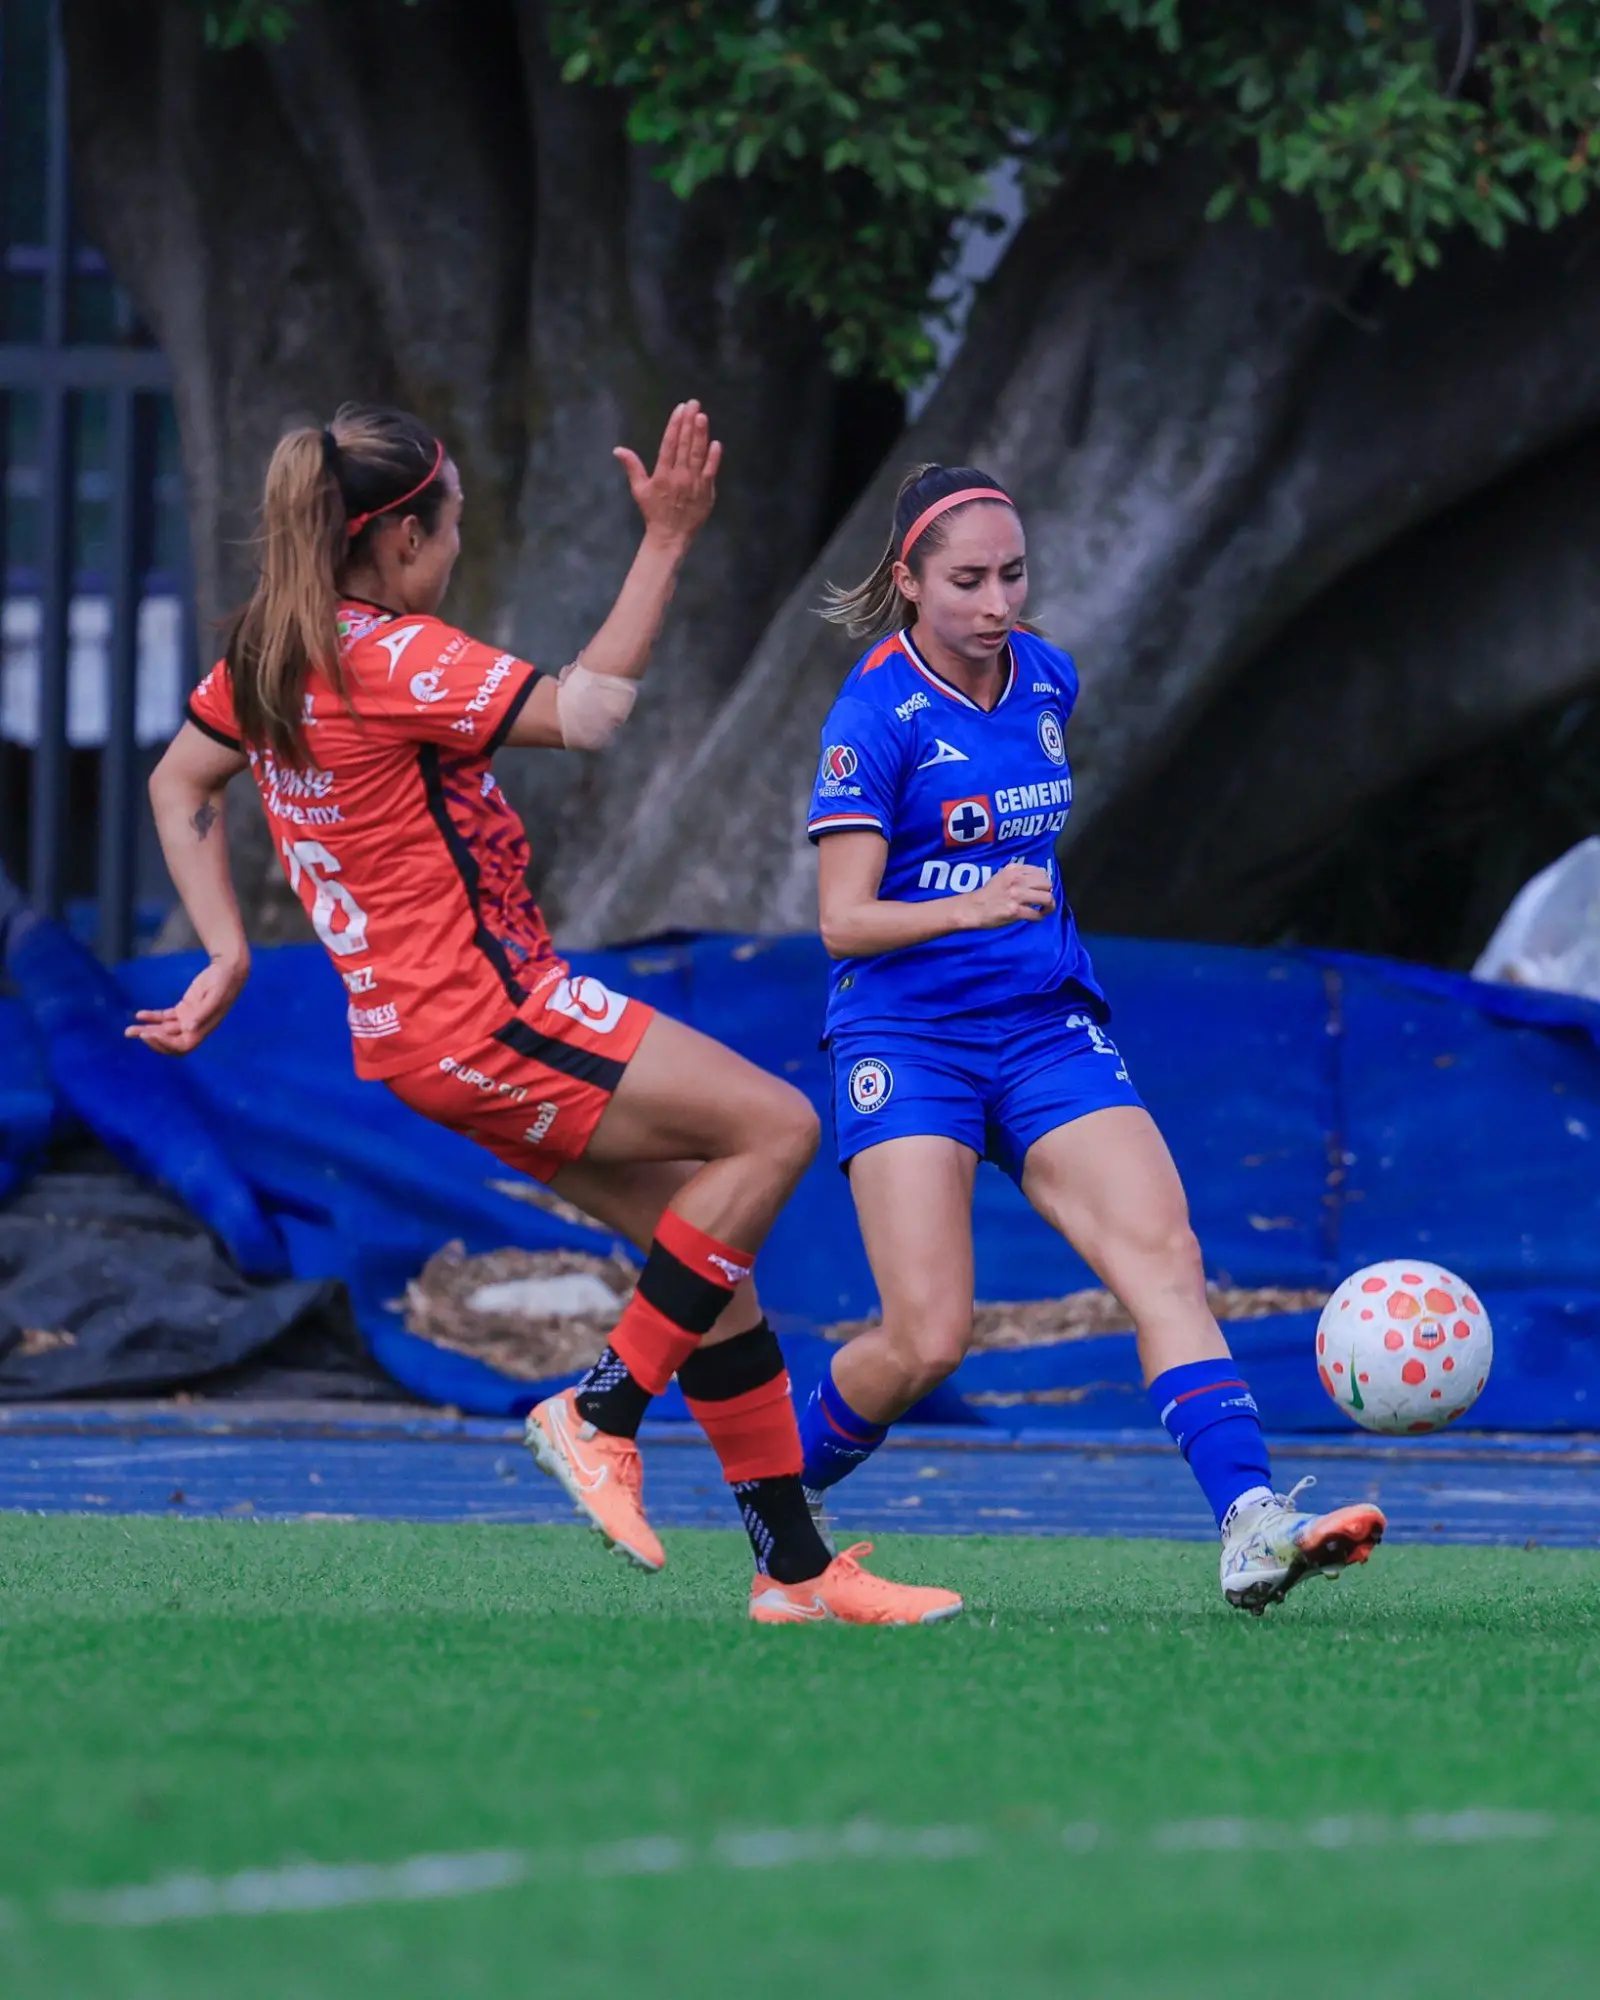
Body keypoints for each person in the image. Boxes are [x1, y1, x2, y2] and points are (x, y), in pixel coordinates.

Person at [134, 400, 959, 1627]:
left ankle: (794, 1571)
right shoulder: (389, 654)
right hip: (488, 1014)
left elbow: (177, 779)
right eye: (452, 519)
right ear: (400, 536)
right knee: (778, 1127)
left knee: (708, 1252)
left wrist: (225, 950)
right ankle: (601, 1407)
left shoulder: (272, 646)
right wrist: (669, 537)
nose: (459, 541)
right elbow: (589, 712)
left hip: (436, 1035)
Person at [797, 462, 1386, 1613]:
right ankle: (779, 1495)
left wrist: (1012, 919)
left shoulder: (1045, 677)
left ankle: (1250, 1522)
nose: (996, 601)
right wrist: (970, 904)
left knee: (1163, 1257)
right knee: (925, 1337)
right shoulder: (871, 716)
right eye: (965, 579)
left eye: (1012, 573)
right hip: (907, 1035)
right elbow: (839, 920)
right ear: (908, 581)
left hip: (1044, 1025)